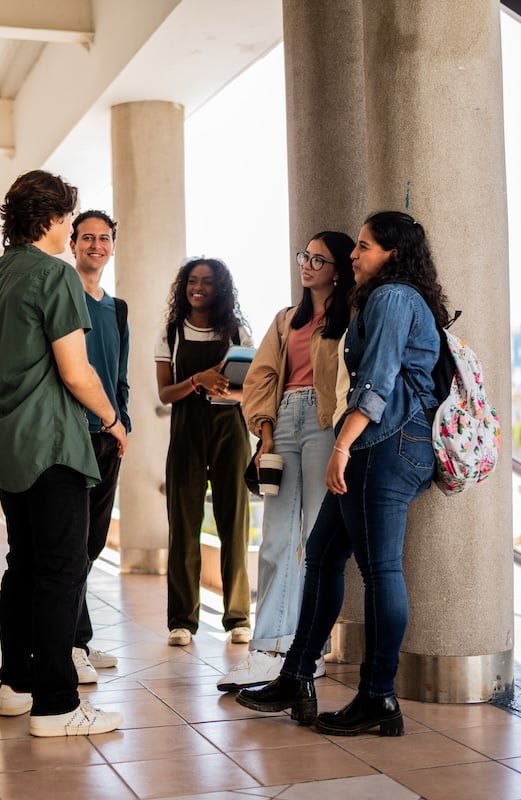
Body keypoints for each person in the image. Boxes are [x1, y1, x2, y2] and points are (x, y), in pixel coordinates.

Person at [237, 211, 448, 737]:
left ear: (393, 254)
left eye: (364, 246)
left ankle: (377, 696)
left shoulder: (393, 297)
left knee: (380, 570)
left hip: (385, 444)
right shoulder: (389, 298)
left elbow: (377, 380)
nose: (354, 255)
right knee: (323, 557)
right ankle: (296, 677)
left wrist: (342, 446)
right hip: (385, 443)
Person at [0, 170, 126, 737]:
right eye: (68, 220)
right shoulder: (54, 274)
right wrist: (112, 421)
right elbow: (75, 370)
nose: (70, 231)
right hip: (53, 445)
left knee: (23, 565)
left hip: (7, 445)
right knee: (62, 572)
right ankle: (58, 705)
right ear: (52, 219)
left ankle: (15, 686)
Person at [216, 232, 354, 692]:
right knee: (275, 540)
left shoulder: (350, 317)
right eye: (305, 256)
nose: (307, 265)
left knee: (316, 542)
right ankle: (266, 650)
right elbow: (262, 376)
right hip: (285, 421)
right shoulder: (285, 319)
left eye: (318, 259)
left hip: (326, 424)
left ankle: (307, 651)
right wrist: (265, 435)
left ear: (339, 270)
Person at [156, 257, 254, 647]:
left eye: (207, 281)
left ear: (220, 287)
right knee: (183, 525)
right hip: (186, 431)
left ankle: (238, 618)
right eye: (192, 281)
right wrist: (198, 379)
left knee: (235, 523)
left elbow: (252, 390)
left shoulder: (238, 332)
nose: (198, 287)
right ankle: (182, 620)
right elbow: (165, 394)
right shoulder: (171, 332)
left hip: (230, 429)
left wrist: (224, 387)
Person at [67, 209, 130, 683]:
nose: (95, 245)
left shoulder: (118, 309)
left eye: (103, 238)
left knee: (91, 545)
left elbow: (120, 373)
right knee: (71, 544)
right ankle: (71, 645)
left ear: (111, 246)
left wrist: (122, 422)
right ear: (72, 245)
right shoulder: (64, 298)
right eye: (86, 237)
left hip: (109, 436)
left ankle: (79, 639)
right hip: (73, 435)